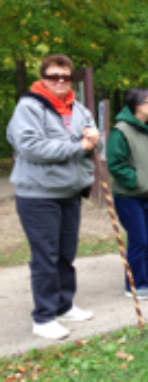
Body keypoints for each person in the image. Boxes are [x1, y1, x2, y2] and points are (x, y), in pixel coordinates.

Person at [7, 54, 99, 340]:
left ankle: (64, 304)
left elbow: (94, 140)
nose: (60, 82)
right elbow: (32, 146)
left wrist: (94, 137)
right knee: (45, 257)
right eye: (54, 76)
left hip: (70, 192)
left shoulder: (78, 109)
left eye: (65, 77)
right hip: (38, 195)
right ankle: (43, 317)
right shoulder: (29, 107)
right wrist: (78, 145)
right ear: (43, 78)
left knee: (65, 254)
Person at [107, 88, 148, 300]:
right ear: (137, 106)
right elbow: (115, 164)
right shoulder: (120, 131)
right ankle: (134, 284)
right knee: (139, 239)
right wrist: (137, 181)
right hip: (129, 197)